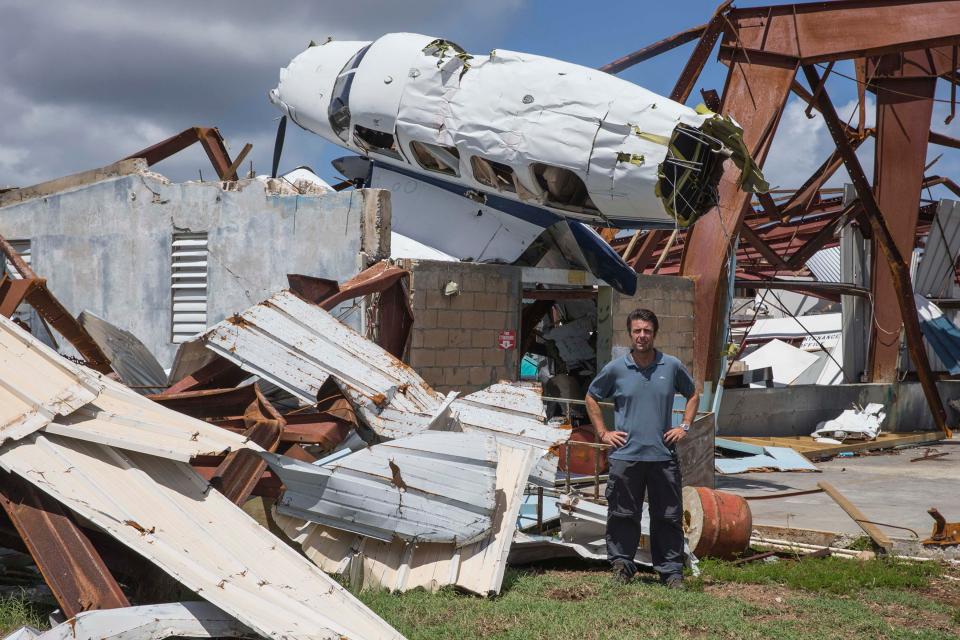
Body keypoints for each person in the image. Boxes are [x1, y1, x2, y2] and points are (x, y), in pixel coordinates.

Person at [585, 308, 699, 589]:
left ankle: (671, 573)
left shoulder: (670, 366)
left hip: (663, 456)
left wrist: (684, 426)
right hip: (626, 456)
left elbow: (693, 393)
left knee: (668, 515)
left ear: (654, 334)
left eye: (647, 331)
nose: (642, 336)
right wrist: (603, 432)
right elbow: (591, 396)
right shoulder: (616, 369)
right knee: (623, 513)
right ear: (630, 334)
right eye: (637, 330)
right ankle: (622, 566)